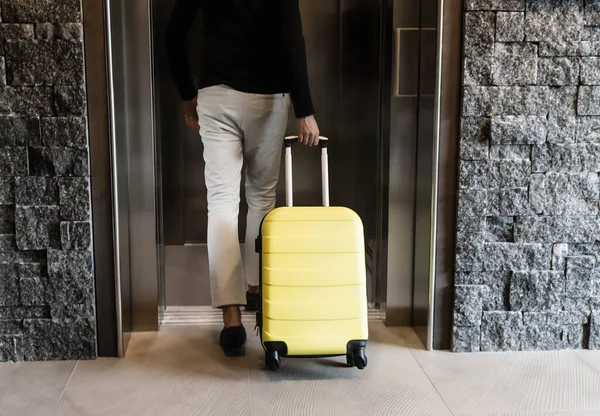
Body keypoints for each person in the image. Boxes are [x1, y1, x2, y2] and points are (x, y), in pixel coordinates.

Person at [166, 0, 319, 357]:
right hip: (268, 97)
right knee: (261, 199)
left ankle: (231, 320)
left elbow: (174, 33)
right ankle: (254, 288)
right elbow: (291, 40)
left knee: (221, 202)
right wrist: (305, 109)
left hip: (216, 96)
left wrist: (187, 94)